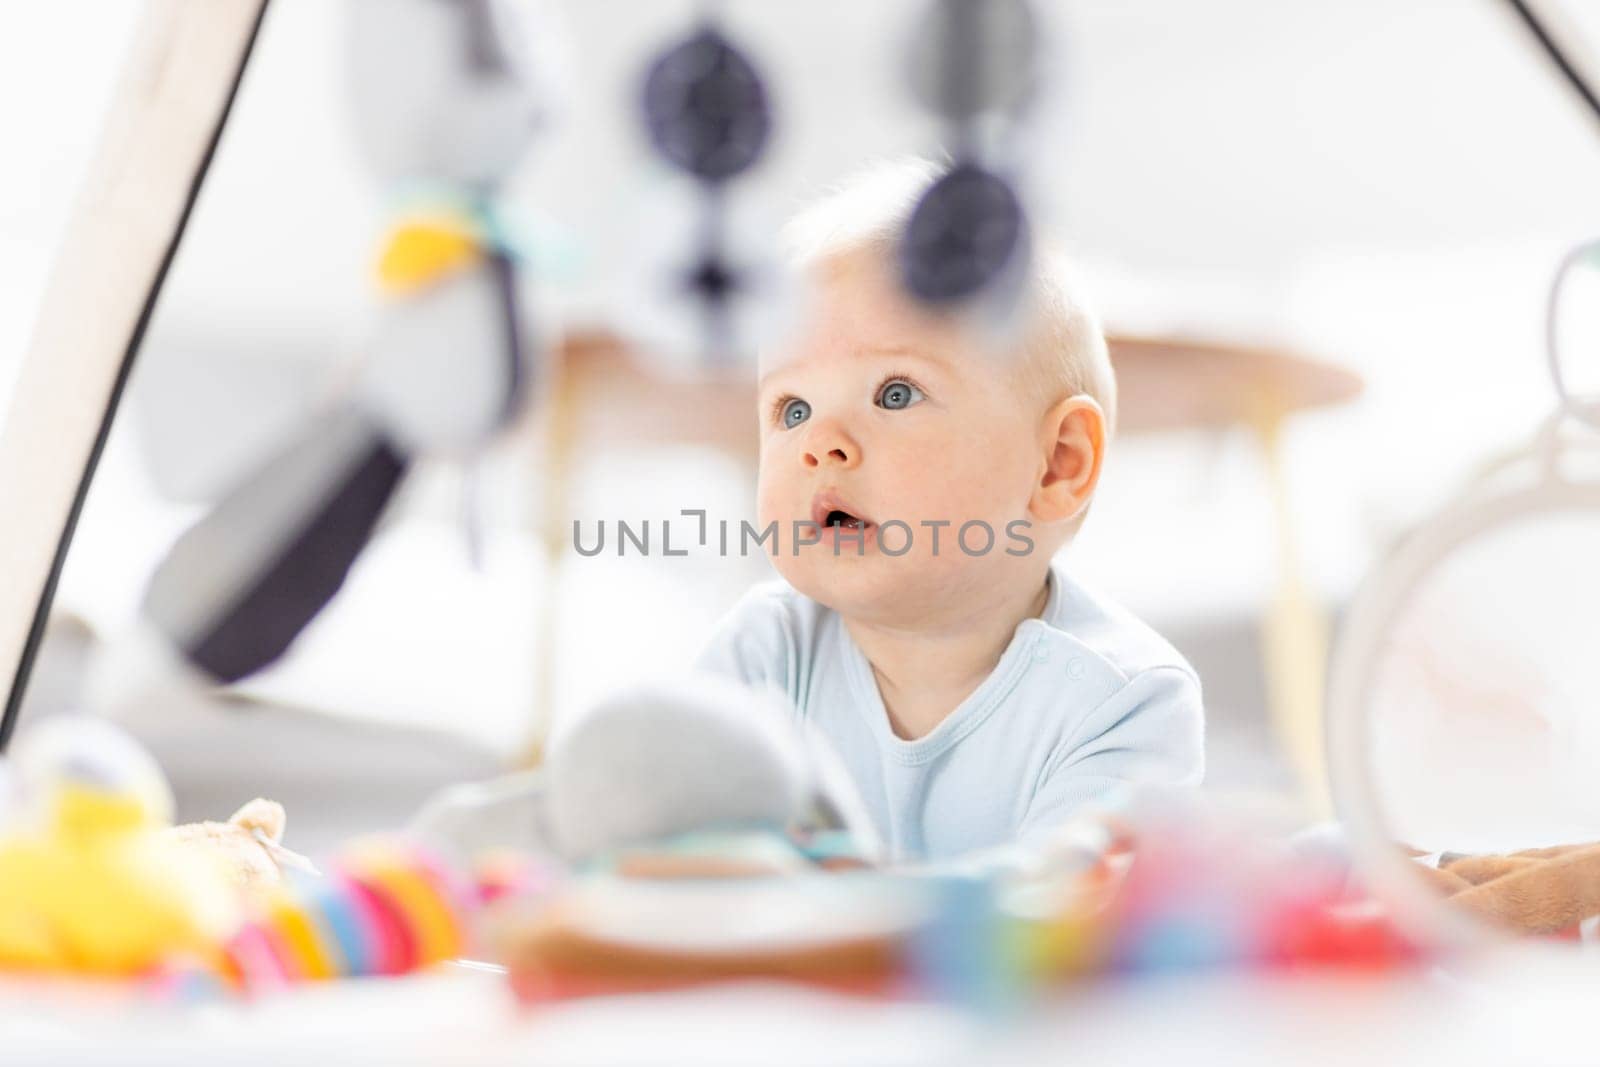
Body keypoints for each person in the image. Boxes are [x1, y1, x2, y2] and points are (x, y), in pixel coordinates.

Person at [696, 158, 1204, 861]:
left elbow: (1053, 924)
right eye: (792, 407)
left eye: (895, 393)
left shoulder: (1124, 702)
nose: (821, 444)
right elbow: (682, 865)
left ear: (1059, 463)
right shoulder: (765, 655)